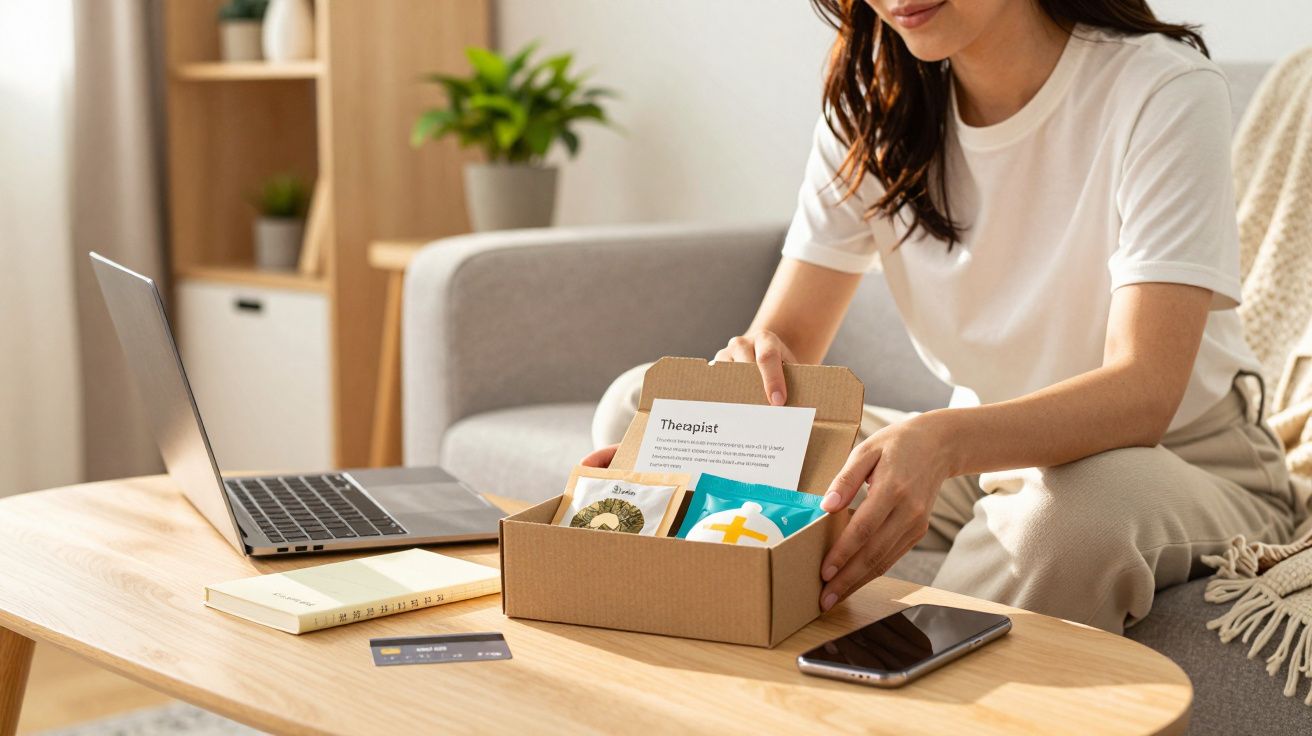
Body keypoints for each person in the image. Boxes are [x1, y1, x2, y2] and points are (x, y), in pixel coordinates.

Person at [584, 0, 1303, 634]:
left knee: (1065, 519)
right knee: (643, 409)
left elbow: (1144, 391)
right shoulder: (876, 103)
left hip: (1176, 463)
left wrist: (938, 445)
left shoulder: (1161, 87)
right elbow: (788, 342)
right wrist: (746, 373)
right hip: (984, 458)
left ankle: (876, 695)